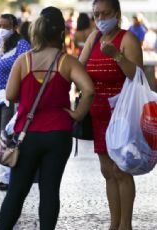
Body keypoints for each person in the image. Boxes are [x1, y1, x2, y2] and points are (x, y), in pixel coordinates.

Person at [0, 7, 95, 229]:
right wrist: (77, 115)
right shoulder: (67, 61)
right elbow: (88, 90)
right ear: (61, 33)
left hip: (28, 135)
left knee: (17, 191)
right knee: (50, 190)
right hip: (59, 134)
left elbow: (11, 95)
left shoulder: (24, 60)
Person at [80, 1, 156, 229]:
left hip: (123, 114)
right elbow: (78, 67)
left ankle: (126, 225)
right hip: (98, 113)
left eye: (106, 13)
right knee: (107, 171)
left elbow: (139, 76)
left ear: (117, 14)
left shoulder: (127, 39)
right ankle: (114, 224)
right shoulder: (93, 38)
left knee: (121, 169)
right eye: (97, 14)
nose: (101, 18)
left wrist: (116, 56)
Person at [0, 14, 31, 191]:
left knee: (8, 135)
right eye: (0, 25)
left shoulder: (22, 45)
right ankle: (3, 173)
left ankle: (9, 175)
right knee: (0, 136)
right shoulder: (0, 46)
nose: (2, 29)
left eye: (6, 26)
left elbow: (27, 68)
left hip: (10, 97)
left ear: (14, 27)